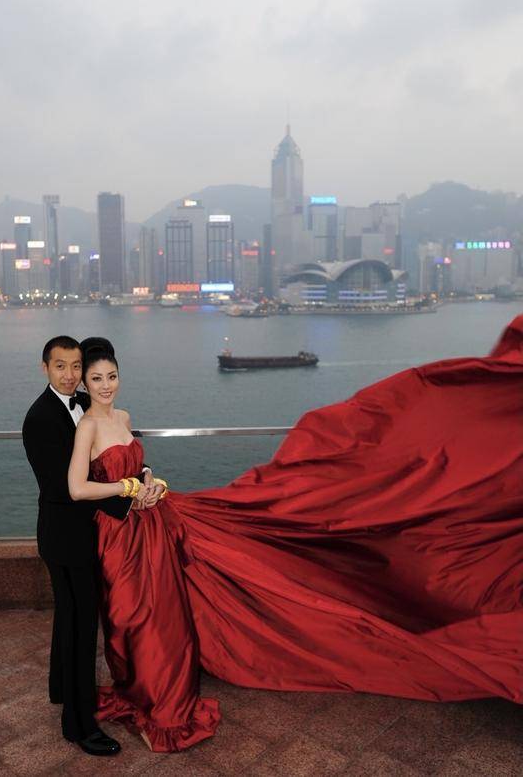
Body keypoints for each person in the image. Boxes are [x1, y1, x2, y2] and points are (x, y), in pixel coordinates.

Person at [69, 320, 523, 753]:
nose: (107, 385)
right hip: (119, 535)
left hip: (154, 522)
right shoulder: (86, 426)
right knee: (130, 616)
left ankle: (162, 704)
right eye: (97, 379)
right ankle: (139, 694)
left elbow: (136, 465)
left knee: (161, 619)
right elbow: (78, 488)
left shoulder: (124, 416)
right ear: (84, 383)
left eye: (112, 376)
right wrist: (128, 490)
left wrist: (148, 480)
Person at [22, 335, 125, 757]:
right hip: (66, 538)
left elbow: (114, 445)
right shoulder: (40, 418)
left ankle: (61, 687)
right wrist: (126, 495)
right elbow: (65, 489)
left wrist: (140, 472)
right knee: (83, 628)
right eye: (60, 366)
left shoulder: (82, 402)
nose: (70, 375)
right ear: (45, 367)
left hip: (79, 533)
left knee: (69, 616)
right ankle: (79, 726)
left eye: (76, 366)